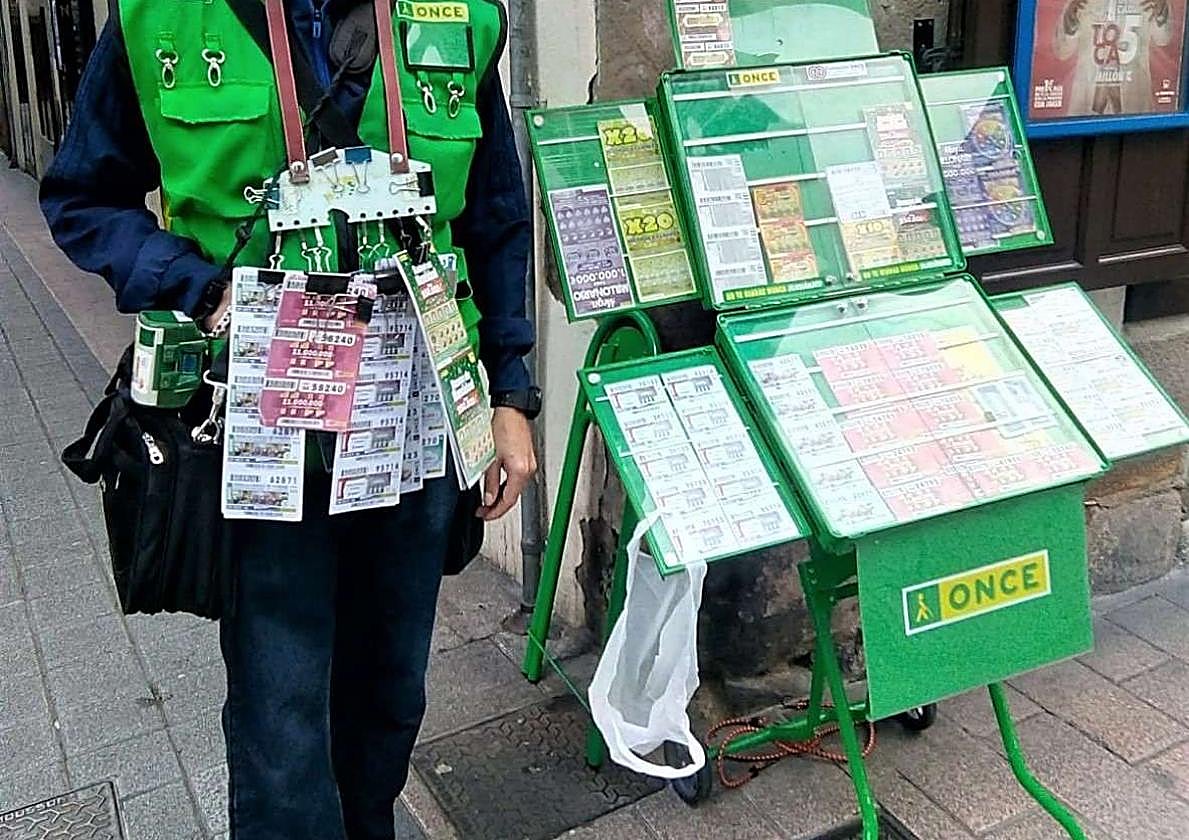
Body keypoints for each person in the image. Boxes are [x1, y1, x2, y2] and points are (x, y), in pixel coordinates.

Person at [39, 0, 539, 838]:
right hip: (261, 437)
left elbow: (494, 220)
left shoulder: (464, 17)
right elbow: (82, 197)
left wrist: (511, 395)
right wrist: (202, 289)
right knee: (281, 717)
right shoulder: (158, 16)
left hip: (415, 430)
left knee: (389, 698)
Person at [1053, 0, 1175, 116]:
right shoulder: (1078, 3)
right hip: (1084, 107)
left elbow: (1163, 38)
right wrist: (1069, 24)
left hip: (1135, 107)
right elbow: (1062, 50)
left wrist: (1161, 13)